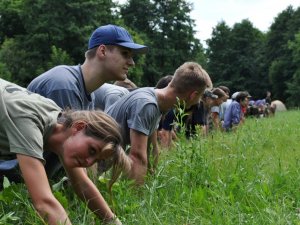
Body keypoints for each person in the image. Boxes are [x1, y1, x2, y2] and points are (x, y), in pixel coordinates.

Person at [0, 78, 131, 225]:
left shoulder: (57, 122)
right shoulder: (30, 122)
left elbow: (82, 184)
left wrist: (113, 222)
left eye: (96, 160)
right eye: (92, 150)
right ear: (79, 127)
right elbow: (44, 203)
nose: (88, 162)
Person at [27, 24, 148, 178]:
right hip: (16, 181)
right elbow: (70, 155)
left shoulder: (88, 92)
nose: (132, 62)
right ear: (102, 51)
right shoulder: (64, 86)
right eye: (125, 54)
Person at [105, 62, 212, 184]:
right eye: (201, 96)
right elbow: (138, 157)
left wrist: (152, 182)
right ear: (193, 95)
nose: (199, 102)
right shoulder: (147, 105)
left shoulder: (156, 100)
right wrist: (138, 200)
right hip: (90, 168)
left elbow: (152, 148)